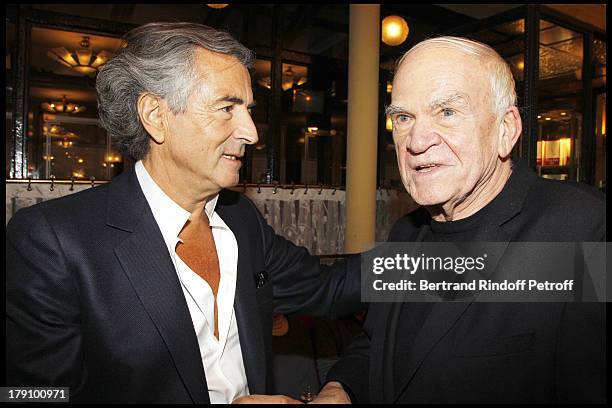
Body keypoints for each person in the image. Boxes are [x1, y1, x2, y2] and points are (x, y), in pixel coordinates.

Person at [5, 22, 362, 404]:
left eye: (248, 111)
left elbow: (332, 288)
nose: (252, 133)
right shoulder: (52, 239)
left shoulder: (242, 220)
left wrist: (432, 264)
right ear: (156, 116)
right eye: (227, 108)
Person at [314, 37, 606, 403]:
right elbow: (378, 344)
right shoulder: (407, 233)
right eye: (404, 117)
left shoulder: (584, 231)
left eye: (447, 112)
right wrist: (341, 388)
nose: (416, 141)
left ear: (506, 130)